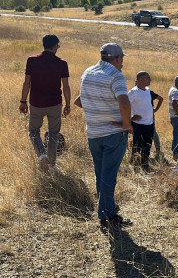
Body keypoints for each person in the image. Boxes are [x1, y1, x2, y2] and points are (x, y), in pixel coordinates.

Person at [74, 43, 132, 228]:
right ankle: (107, 216)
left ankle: (107, 207)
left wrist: (98, 112)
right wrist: (126, 123)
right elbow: (124, 102)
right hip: (113, 133)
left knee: (100, 173)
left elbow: (78, 101)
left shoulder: (88, 72)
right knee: (109, 174)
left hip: (93, 133)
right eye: (122, 58)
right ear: (115, 59)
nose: (122, 63)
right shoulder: (116, 76)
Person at [19, 34, 71, 172]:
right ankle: (51, 165)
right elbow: (66, 86)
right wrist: (68, 105)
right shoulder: (62, 63)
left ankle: (41, 155)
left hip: (36, 103)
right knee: (54, 134)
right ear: (54, 46)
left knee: (33, 131)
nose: (58, 48)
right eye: (58, 46)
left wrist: (23, 101)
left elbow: (26, 84)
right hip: (55, 104)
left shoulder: (32, 60)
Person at [128, 72, 155, 172]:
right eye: (148, 78)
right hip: (138, 125)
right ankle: (135, 165)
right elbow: (123, 104)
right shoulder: (133, 92)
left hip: (149, 124)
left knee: (147, 145)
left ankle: (145, 164)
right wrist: (130, 117)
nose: (150, 79)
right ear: (140, 80)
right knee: (137, 145)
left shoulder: (147, 90)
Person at [149, 89, 164, 160]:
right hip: (138, 115)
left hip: (149, 115)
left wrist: (156, 109)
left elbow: (160, 99)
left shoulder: (149, 92)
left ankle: (158, 150)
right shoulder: (134, 92)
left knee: (153, 132)